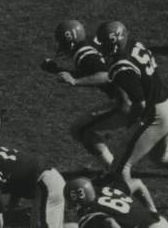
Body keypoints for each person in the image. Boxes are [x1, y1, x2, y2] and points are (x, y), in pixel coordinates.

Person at [95, 20, 168, 208]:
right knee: (161, 157)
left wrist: (132, 124)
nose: (101, 47)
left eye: (104, 43)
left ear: (113, 43)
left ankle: (131, 210)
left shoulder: (120, 66)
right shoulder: (134, 44)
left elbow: (139, 102)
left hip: (155, 114)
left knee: (121, 166)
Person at [42, 19, 131, 170]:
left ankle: (113, 170)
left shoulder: (83, 55)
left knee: (80, 130)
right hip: (143, 92)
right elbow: (91, 71)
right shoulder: (91, 43)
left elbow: (105, 76)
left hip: (126, 100)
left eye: (63, 43)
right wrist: (57, 70)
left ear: (70, 42)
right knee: (162, 148)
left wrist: (75, 81)